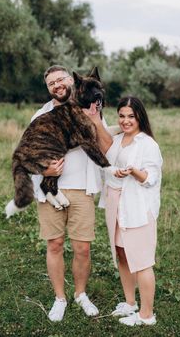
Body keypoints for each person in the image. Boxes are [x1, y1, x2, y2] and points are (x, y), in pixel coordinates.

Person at [31, 65, 112, 322]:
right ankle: (60, 298)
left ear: (71, 80)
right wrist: (46, 170)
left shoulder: (91, 107)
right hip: (51, 190)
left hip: (82, 189)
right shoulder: (40, 115)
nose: (57, 85)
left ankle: (80, 294)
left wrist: (96, 120)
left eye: (61, 79)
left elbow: (107, 145)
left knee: (82, 248)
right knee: (54, 245)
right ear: (48, 89)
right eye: (51, 83)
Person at [102, 96, 163, 326]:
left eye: (131, 116)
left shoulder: (147, 144)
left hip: (137, 207)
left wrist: (133, 171)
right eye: (122, 116)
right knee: (123, 255)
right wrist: (115, 172)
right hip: (115, 204)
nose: (126, 121)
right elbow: (106, 166)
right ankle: (130, 303)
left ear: (140, 117)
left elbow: (151, 178)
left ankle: (147, 316)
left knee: (142, 261)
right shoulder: (117, 139)